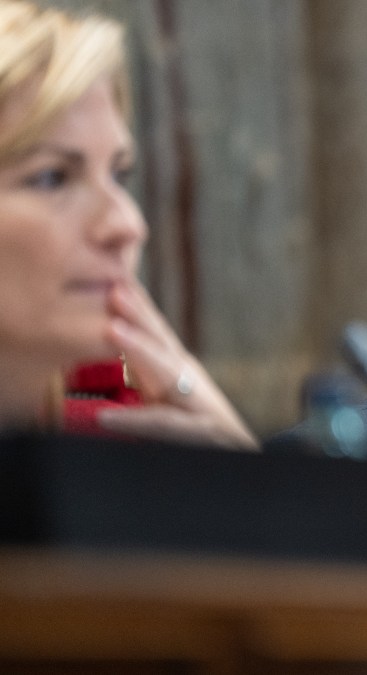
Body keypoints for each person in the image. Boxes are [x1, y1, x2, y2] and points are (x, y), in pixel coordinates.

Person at [0, 0, 254, 448]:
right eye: (51, 177)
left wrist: (236, 480)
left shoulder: (127, 452)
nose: (128, 225)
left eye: (118, 175)